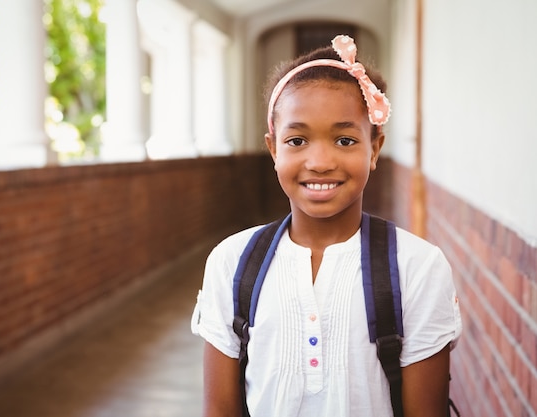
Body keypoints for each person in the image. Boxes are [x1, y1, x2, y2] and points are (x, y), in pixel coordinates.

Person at [191, 35, 462, 417]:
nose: (319, 161)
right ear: (274, 149)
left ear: (375, 149)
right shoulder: (231, 262)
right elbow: (219, 410)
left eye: (345, 140)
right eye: (297, 139)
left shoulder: (416, 267)